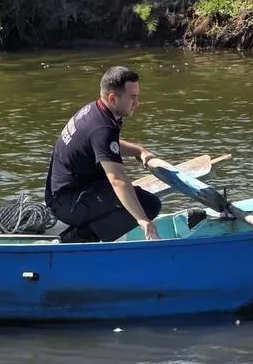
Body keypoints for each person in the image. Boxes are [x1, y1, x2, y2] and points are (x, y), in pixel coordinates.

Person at [44, 66, 164, 243]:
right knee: (149, 205)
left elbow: (106, 146)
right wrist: (143, 220)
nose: (137, 103)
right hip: (67, 204)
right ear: (112, 98)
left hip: (67, 193)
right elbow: (117, 180)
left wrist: (139, 151)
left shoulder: (95, 111)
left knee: (132, 198)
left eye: (137, 96)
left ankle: (87, 229)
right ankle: (76, 240)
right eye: (132, 97)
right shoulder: (102, 128)